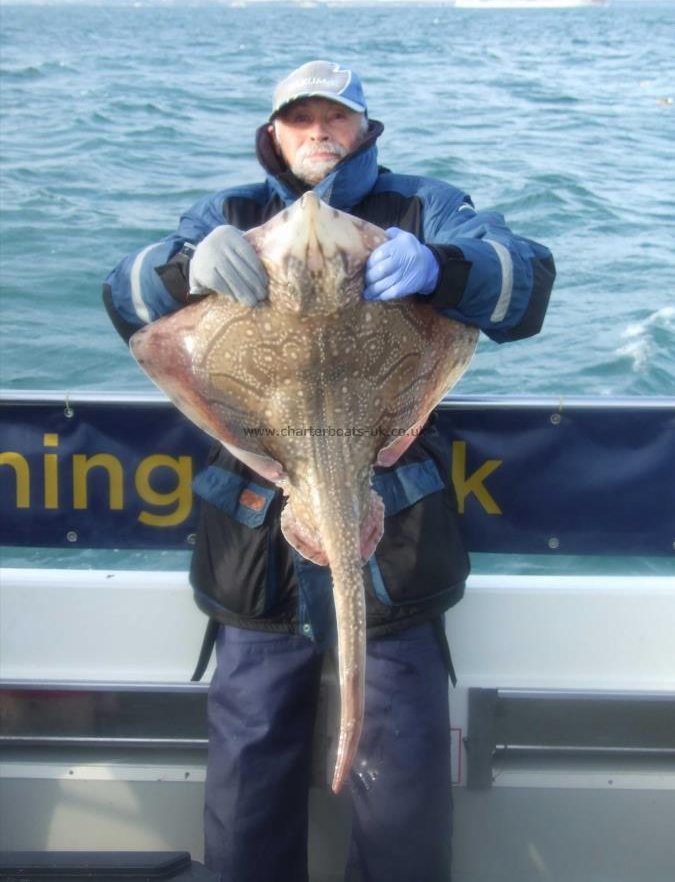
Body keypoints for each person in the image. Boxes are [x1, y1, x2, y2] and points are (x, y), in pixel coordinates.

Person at [104, 60, 555, 882]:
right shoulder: (228, 215)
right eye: (298, 118)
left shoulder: (422, 208)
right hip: (254, 536)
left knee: (403, 782)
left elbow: (523, 278)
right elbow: (126, 299)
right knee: (248, 767)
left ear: (364, 129)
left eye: (334, 117)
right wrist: (187, 270)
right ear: (272, 133)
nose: (317, 132)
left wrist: (441, 269)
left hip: (393, 530)